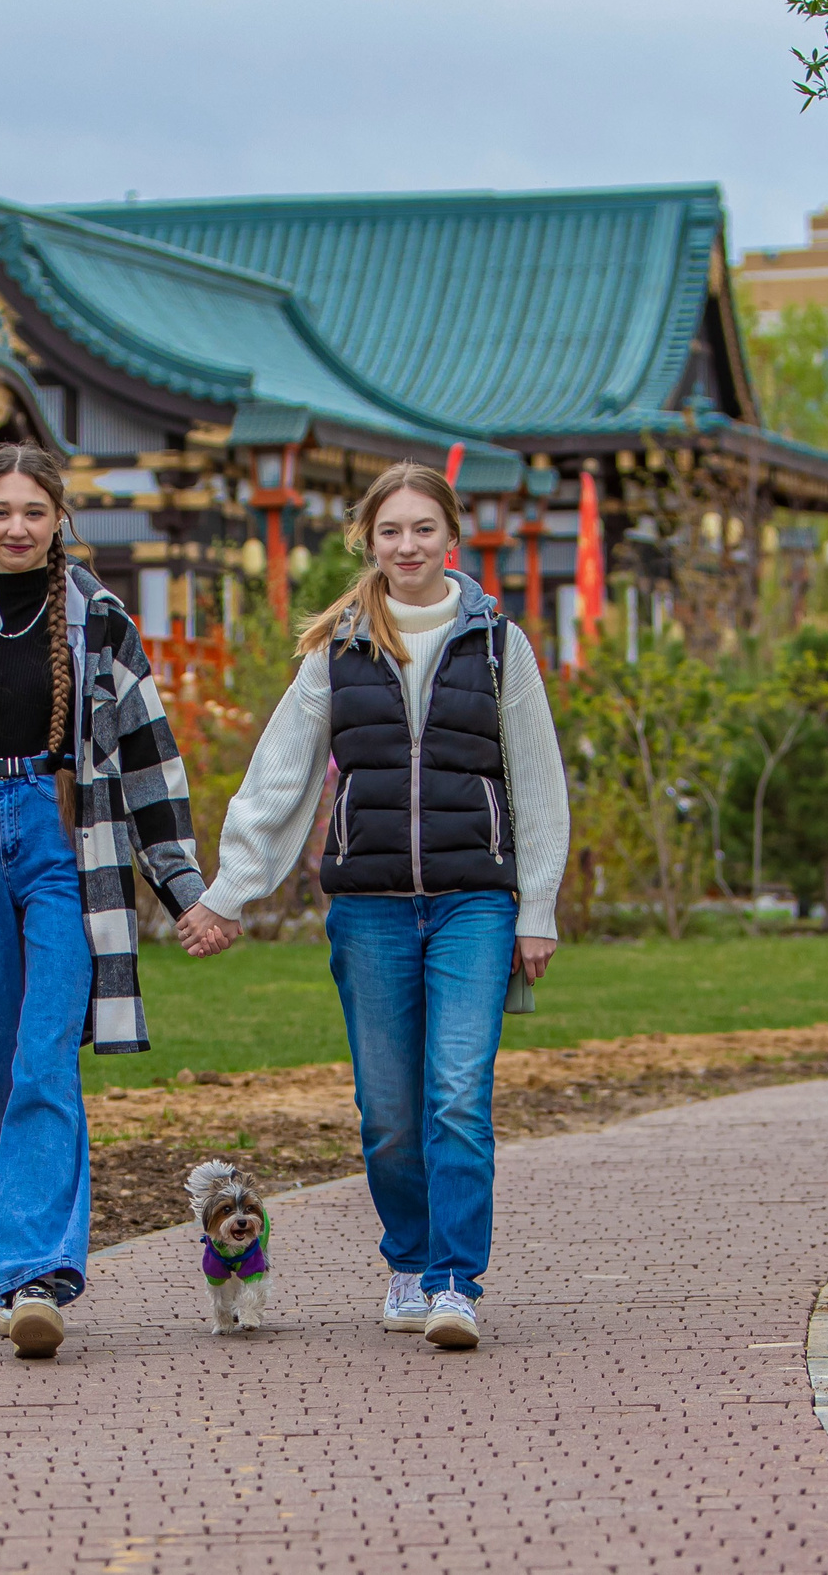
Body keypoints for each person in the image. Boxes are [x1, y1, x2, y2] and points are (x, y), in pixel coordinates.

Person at [177, 461, 569, 1351]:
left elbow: (538, 783)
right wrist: (231, 891)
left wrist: (536, 904)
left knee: (458, 1097)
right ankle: (408, 1258)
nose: (408, 546)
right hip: (372, 909)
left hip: (476, 903)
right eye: (391, 531)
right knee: (390, 1111)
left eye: (423, 529)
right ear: (369, 542)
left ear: (452, 539)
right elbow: (280, 776)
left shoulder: (500, 646)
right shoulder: (337, 651)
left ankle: (454, 1284)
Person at [0, 443, 207, 1360]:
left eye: (34, 511)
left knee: (44, 1052)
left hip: (67, 843)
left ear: (60, 519)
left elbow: (148, 757)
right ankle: (19, 1267)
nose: (17, 527)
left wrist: (180, 883)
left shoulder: (99, 624)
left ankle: (40, 1273)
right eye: (0, 511)